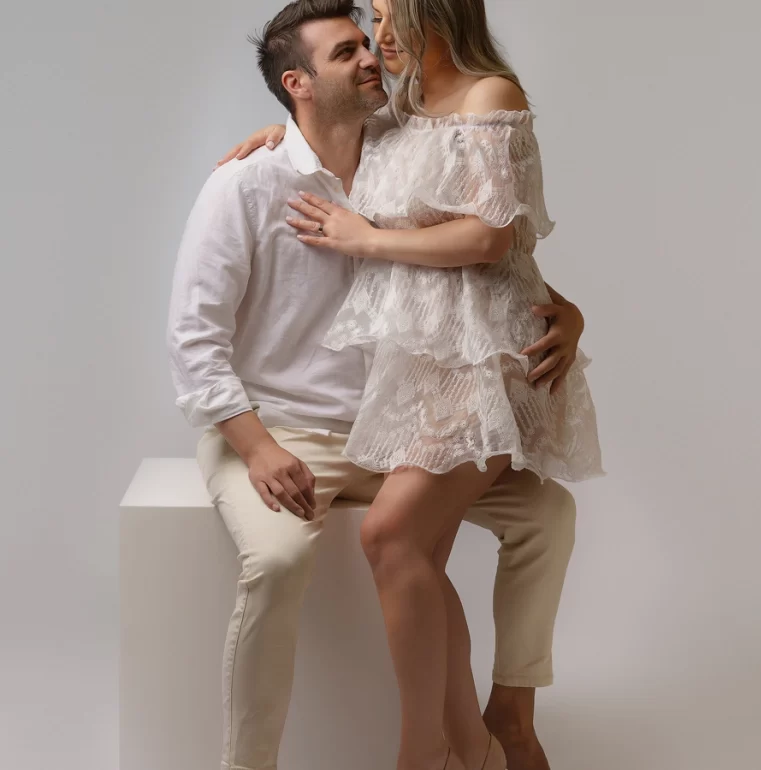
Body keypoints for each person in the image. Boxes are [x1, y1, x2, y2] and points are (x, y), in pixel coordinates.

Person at [167, 2, 594, 770]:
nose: (372, 53)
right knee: (287, 561)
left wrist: (568, 310)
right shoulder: (248, 184)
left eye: (371, 36)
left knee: (539, 515)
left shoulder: (406, 140)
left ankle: (498, 724)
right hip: (291, 433)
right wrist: (257, 448)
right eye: (348, 50)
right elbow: (194, 340)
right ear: (297, 84)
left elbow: (487, 255)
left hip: (401, 426)